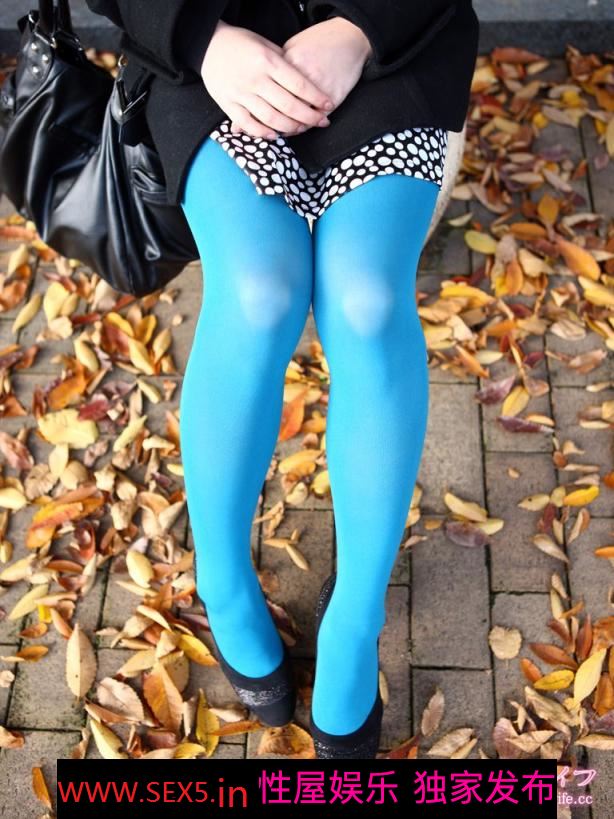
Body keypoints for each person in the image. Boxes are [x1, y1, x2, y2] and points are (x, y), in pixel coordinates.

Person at [86, 0, 480, 759]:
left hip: (387, 47)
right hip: (213, 54)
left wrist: (359, 30)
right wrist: (201, 38)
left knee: (367, 301)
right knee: (259, 291)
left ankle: (356, 620)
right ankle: (223, 582)